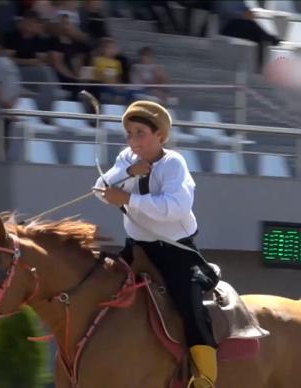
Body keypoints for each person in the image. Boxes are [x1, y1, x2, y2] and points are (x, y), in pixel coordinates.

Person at [92, 100, 219, 388]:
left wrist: (128, 199)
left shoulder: (174, 163)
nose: (133, 140)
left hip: (175, 252)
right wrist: (127, 173)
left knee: (190, 306)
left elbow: (176, 206)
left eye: (140, 133)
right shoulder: (127, 158)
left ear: (160, 135)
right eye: (129, 133)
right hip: (136, 249)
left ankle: (205, 377)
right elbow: (101, 189)